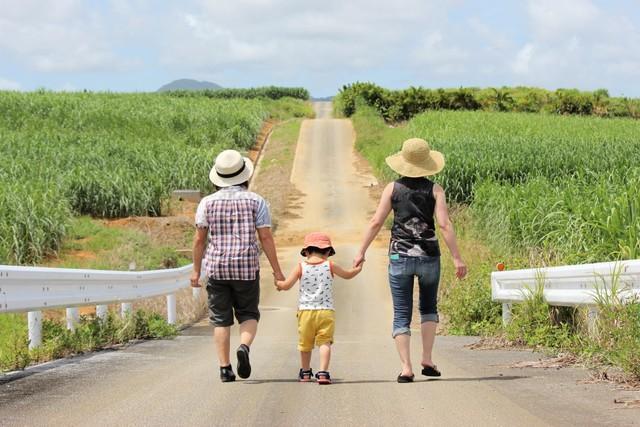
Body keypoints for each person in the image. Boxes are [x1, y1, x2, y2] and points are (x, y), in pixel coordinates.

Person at [353, 138, 467, 383]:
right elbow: (445, 225)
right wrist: (457, 258)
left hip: (399, 256)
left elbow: (376, 222)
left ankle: (406, 368)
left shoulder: (392, 189)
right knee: (428, 307)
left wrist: (361, 251)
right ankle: (427, 358)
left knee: (401, 313)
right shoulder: (435, 189)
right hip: (429, 257)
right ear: (427, 162)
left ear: (403, 162)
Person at [191, 149, 285, 383]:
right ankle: (244, 346)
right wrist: (277, 271)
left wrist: (195, 270)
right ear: (244, 175)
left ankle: (225, 369)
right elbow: (265, 237)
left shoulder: (207, 203)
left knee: (221, 319)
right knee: (248, 314)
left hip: (217, 267)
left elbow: (199, 240)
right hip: (246, 267)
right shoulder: (256, 201)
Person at [275, 232, 362, 385]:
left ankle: (306, 372)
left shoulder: (300, 267)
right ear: (328, 251)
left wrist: (279, 284)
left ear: (306, 251)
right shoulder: (330, 265)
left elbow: (287, 285)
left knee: (305, 344)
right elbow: (348, 275)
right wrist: (358, 268)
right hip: (326, 311)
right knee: (324, 342)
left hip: (305, 312)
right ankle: (323, 373)